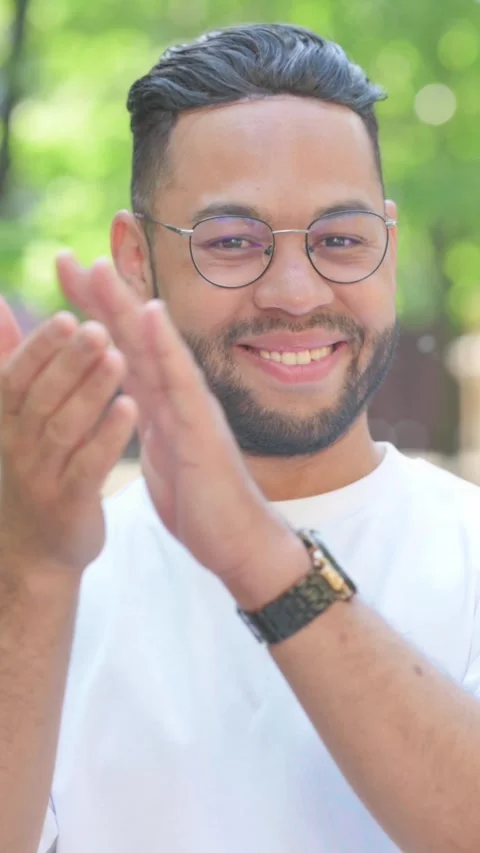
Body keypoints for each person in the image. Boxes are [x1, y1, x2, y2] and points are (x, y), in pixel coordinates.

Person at [0, 22, 479, 853]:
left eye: (339, 240)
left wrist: (263, 558)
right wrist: (35, 574)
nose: (295, 293)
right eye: (232, 243)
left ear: (389, 249)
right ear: (137, 259)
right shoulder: (47, 579)